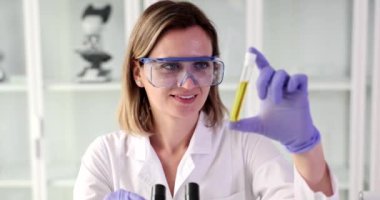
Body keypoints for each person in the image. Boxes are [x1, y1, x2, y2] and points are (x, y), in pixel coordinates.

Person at [73, 1, 339, 200]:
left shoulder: (244, 147)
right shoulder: (105, 156)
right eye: (169, 67)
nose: (188, 83)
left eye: (200, 65)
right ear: (138, 73)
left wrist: (306, 147)